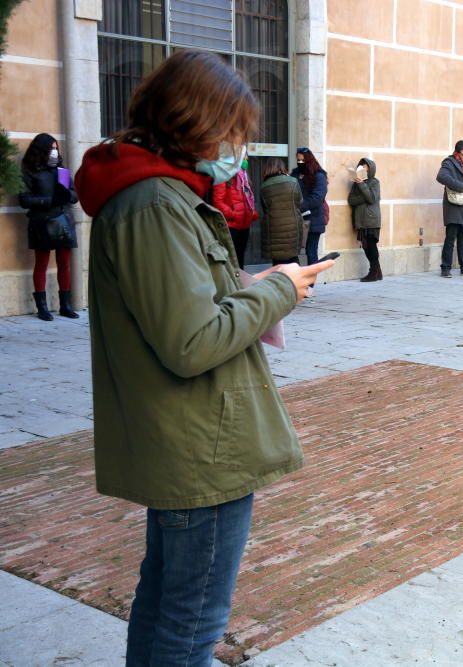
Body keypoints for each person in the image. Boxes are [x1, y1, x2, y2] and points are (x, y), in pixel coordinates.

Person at [74, 50, 335, 666]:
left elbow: (181, 309)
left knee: (168, 602)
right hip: (201, 445)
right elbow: (190, 343)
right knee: (191, 623)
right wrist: (281, 290)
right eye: (234, 131)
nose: (239, 147)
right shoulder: (157, 204)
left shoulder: (158, 196)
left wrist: (248, 286)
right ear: (194, 121)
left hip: (191, 437)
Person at [18, 133, 79, 320]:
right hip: (41, 222)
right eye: (51, 148)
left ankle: (65, 305)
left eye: (56, 148)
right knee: (41, 264)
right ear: (41, 150)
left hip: (63, 222)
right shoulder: (29, 171)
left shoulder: (61, 171)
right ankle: (42, 307)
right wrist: (49, 200)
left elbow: (75, 195)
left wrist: (67, 196)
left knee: (64, 264)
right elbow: (24, 199)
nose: (54, 152)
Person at [436, 140, 463, 278]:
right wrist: (461, 186)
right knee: (451, 237)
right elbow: (441, 177)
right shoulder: (449, 162)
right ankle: (445, 268)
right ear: (462, 150)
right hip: (453, 204)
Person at [292, 147, 328, 295]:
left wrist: (300, 206)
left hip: (313, 219)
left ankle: (310, 285)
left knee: (311, 251)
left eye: (302, 159)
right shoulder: (295, 173)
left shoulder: (319, 175)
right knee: (294, 252)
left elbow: (317, 198)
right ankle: (298, 282)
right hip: (297, 219)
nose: (300, 162)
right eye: (298, 159)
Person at [212, 160, 258, 269]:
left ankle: (240, 285)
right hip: (231, 226)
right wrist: (233, 214)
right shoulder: (223, 176)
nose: (245, 159)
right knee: (231, 260)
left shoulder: (244, 176)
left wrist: (251, 213)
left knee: (240, 258)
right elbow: (217, 202)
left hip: (244, 224)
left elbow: (247, 199)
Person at [259, 157, 304, 266]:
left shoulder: (264, 186)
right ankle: (297, 282)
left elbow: (265, 208)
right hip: (293, 227)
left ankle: (282, 282)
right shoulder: (293, 181)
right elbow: (300, 202)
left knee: (279, 263)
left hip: (274, 228)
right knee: (293, 258)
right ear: (282, 167)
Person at [348, 158, 382, 281]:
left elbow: (372, 199)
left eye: (365, 166)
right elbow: (351, 200)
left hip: (371, 219)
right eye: (361, 166)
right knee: (366, 246)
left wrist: (362, 185)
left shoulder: (374, 182)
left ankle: (374, 272)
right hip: (361, 220)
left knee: (371, 246)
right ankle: (377, 272)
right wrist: (362, 193)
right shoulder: (355, 184)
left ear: (370, 168)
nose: (363, 168)